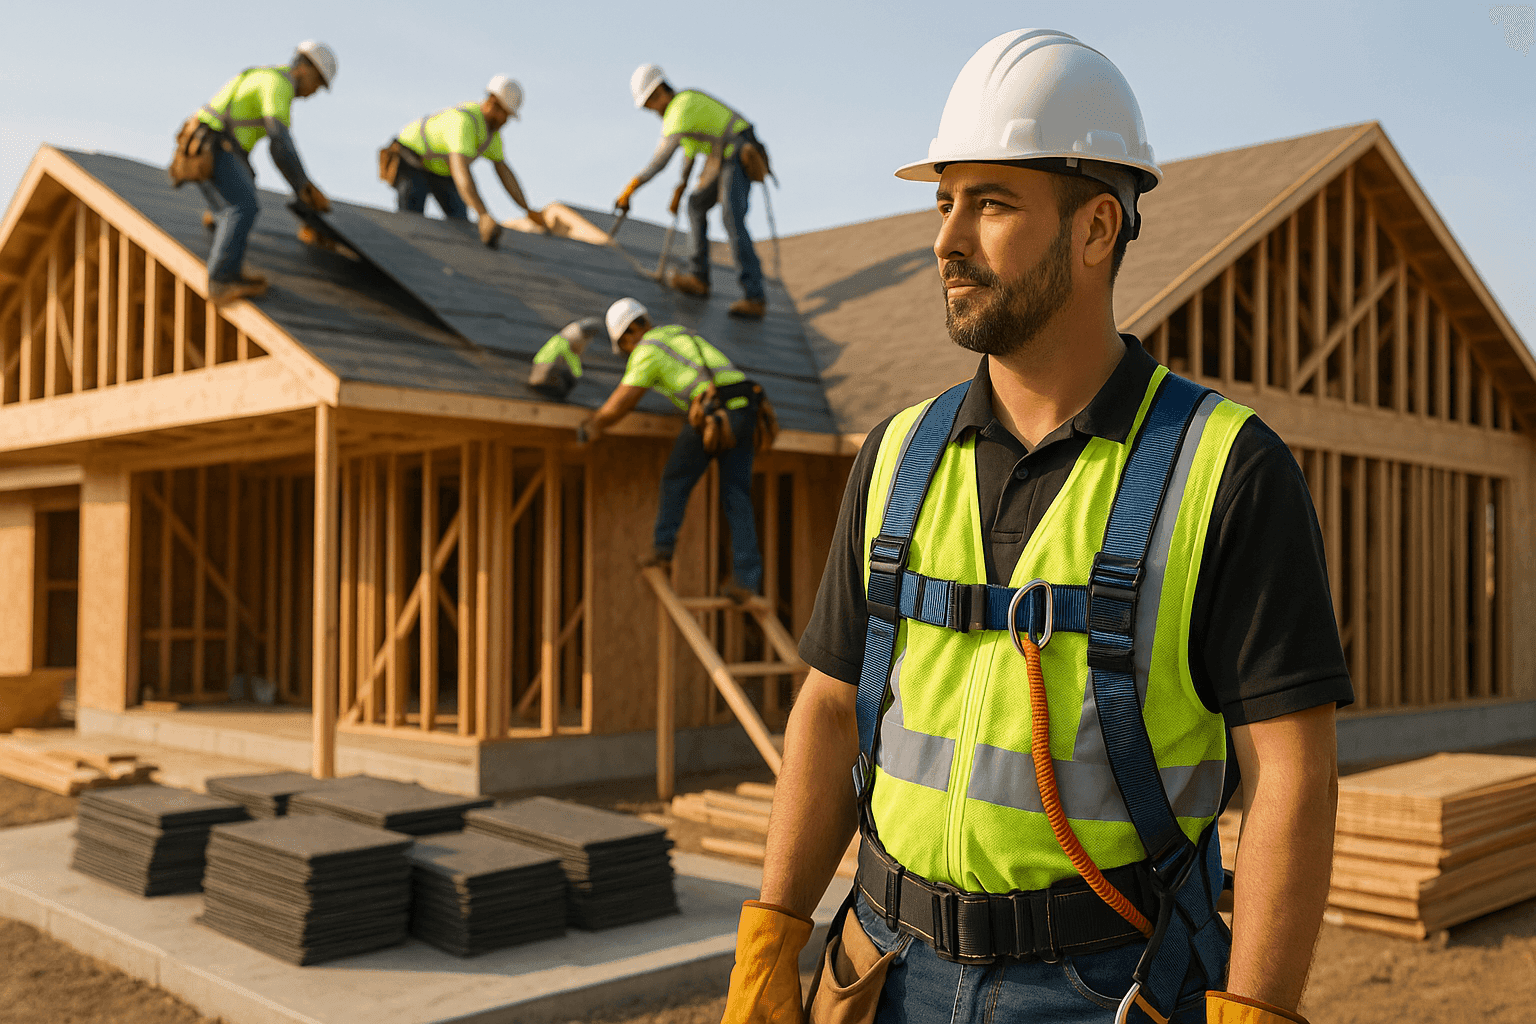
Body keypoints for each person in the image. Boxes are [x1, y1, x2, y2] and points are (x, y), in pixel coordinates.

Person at [719, 29, 1351, 1024]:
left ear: (1098, 228)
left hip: (1105, 988)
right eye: (944, 200)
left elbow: (1293, 777)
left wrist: (1256, 1007)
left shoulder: (1225, 468)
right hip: (881, 970)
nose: (946, 238)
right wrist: (774, 936)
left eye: (992, 202)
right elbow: (830, 708)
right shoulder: (896, 456)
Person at [581, 298, 764, 601]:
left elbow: (623, 400)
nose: (628, 352)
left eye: (624, 346)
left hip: (714, 413)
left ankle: (662, 550)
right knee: (736, 495)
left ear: (629, 334)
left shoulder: (647, 350)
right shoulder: (678, 334)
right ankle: (746, 580)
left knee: (676, 479)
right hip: (746, 409)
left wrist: (593, 424)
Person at [615, 65, 769, 320]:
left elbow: (660, 160)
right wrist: (681, 187)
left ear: (661, 91)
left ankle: (755, 296)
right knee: (695, 205)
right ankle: (699, 278)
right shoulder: (683, 111)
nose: (652, 108)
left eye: (651, 102)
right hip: (723, 155)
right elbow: (689, 151)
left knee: (731, 217)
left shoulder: (679, 109)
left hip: (737, 150)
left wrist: (633, 186)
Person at [189, 41, 336, 305]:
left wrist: (299, 184)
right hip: (213, 146)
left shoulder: (265, 75)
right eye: (318, 83)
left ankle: (219, 216)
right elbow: (280, 143)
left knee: (245, 183)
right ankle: (222, 280)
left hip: (202, 144)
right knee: (244, 208)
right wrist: (303, 185)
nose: (314, 92)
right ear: (304, 69)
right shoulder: (278, 85)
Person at [385, 75, 544, 247]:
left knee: (461, 223)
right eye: (504, 114)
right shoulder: (463, 122)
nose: (505, 121)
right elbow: (460, 169)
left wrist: (527, 210)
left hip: (441, 171)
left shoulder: (492, 136)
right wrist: (483, 214)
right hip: (412, 160)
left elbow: (504, 172)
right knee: (412, 223)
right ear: (492, 102)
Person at [528, 317, 603, 400]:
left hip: (541, 371)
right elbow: (575, 368)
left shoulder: (559, 341)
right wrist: (575, 376)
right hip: (547, 377)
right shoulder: (569, 346)